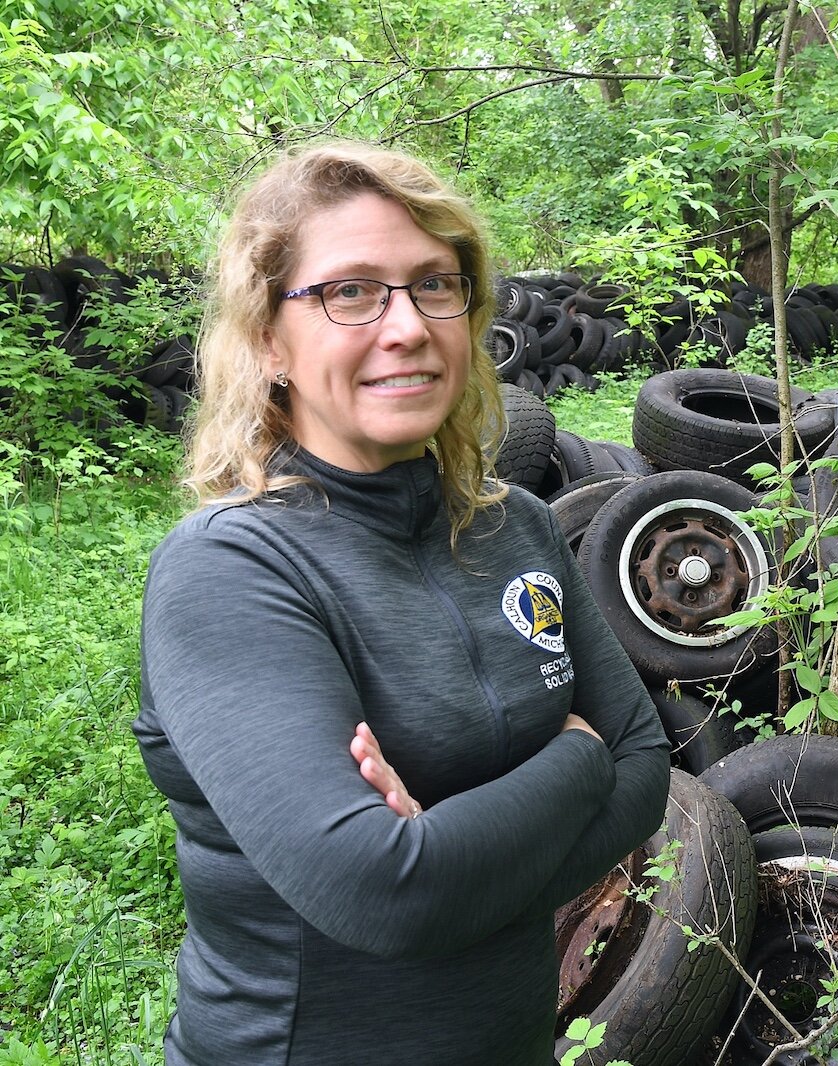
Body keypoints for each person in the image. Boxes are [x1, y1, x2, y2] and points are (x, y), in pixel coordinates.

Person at [134, 142, 671, 1065]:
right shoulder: (231, 572)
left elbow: (649, 771)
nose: (408, 325)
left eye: (435, 284)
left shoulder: (521, 530)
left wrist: (454, 849)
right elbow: (385, 894)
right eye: (350, 292)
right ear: (269, 339)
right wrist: (579, 758)